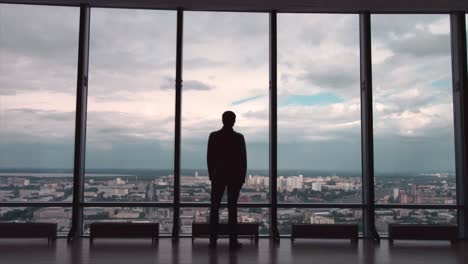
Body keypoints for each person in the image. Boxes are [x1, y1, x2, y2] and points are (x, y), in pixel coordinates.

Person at [207, 110, 247, 249]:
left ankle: (213, 240)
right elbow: (243, 160)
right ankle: (233, 240)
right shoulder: (239, 138)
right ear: (234, 121)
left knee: (214, 208)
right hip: (234, 177)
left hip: (218, 176)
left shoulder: (214, 136)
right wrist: (242, 178)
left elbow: (210, 158)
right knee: (232, 209)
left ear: (222, 120)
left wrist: (212, 175)